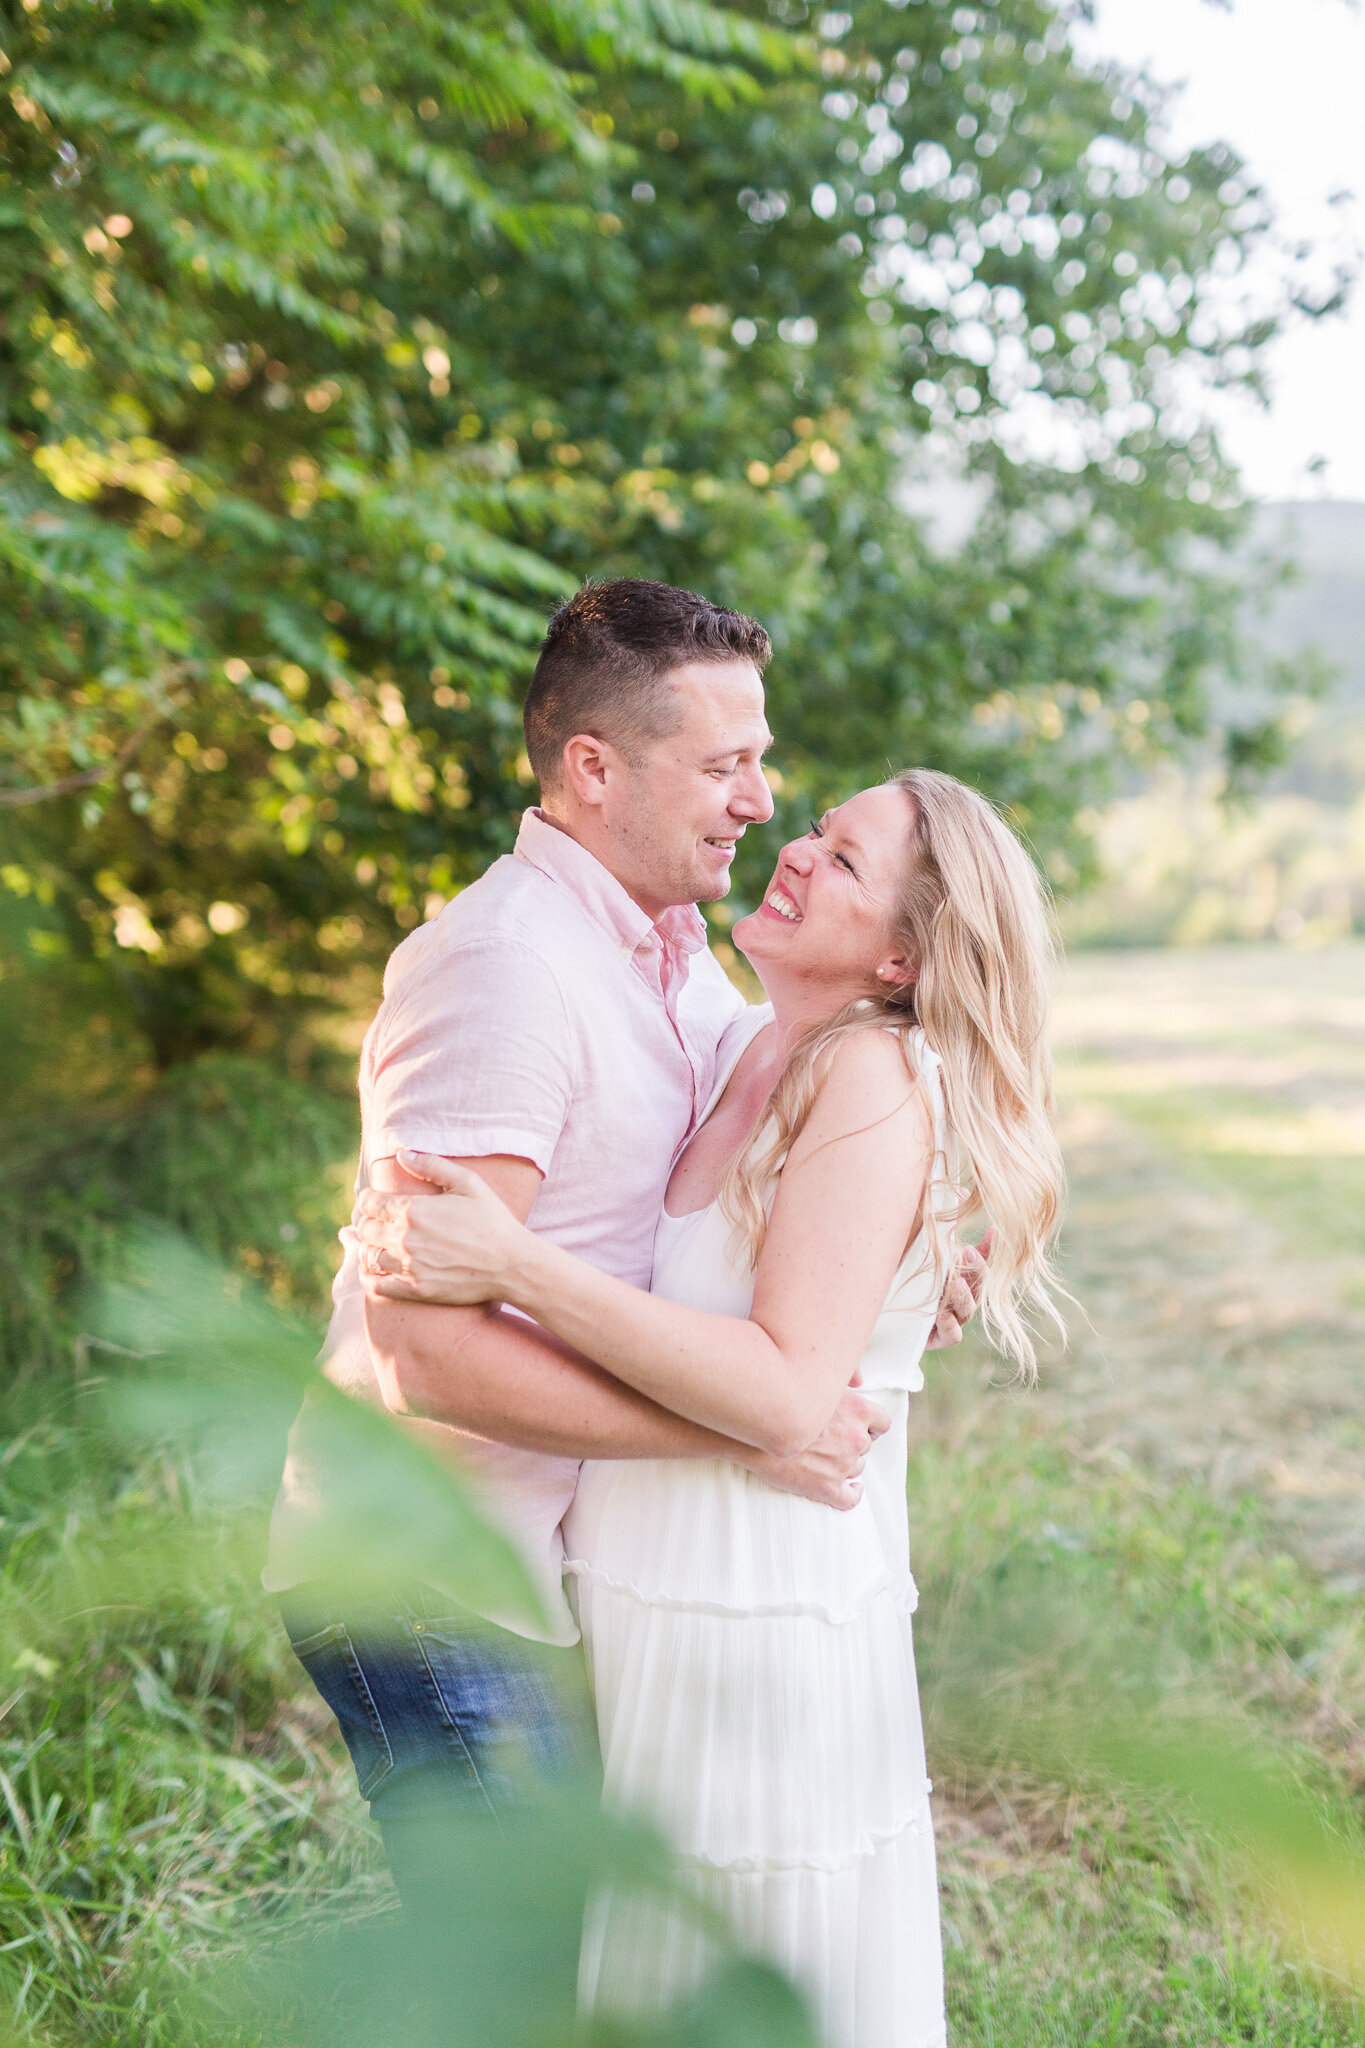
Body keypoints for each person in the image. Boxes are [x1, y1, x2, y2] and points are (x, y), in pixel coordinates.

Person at [264, 580, 981, 1893]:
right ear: (592, 770)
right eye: (725, 764)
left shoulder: (674, 949)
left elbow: (753, 1156)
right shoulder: (502, 970)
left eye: (759, 761)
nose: (759, 802)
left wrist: (901, 1254)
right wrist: (754, 1423)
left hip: (545, 1557)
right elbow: (428, 1357)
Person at [357, 767, 1065, 2048]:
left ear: (904, 955)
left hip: (755, 1589)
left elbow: (791, 1386)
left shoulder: (873, 1077)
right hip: (644, 1575)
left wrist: (514, 1266)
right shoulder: (744, 1037)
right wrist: (906, 1282)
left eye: (844, 860)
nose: (794, 849)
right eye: (819, 831)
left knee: (733, 1939)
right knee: (640, 1949)